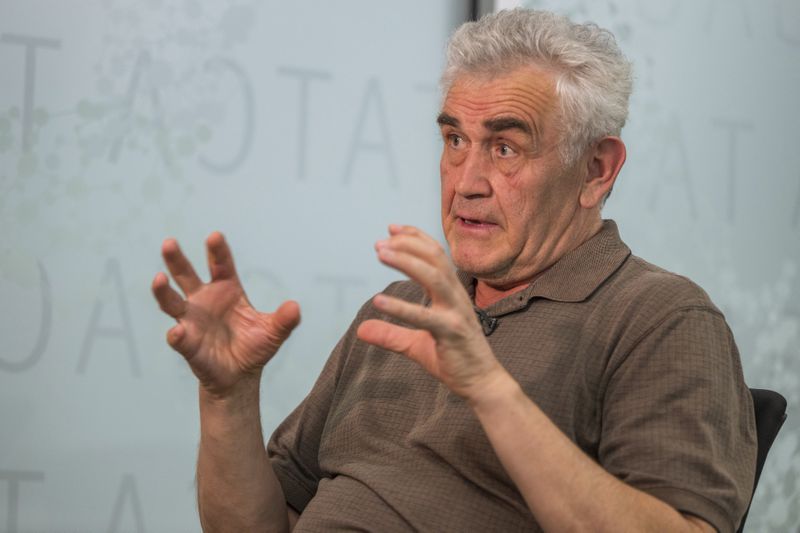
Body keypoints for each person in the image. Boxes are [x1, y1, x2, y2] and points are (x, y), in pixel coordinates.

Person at [152, 9, 756, 533]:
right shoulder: (401, 308)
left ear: (596, 169)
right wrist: (226, 397)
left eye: (504, 148)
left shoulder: (660, 318)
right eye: (454, 140)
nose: (465, 183)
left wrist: (488, 388)